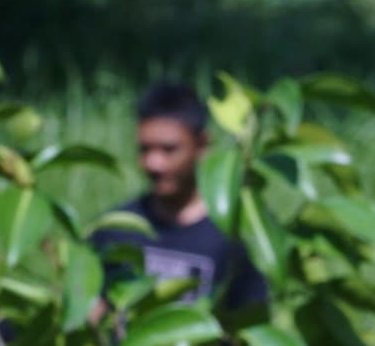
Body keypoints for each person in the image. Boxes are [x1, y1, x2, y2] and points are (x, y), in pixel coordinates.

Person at [108, 80, 267, 313]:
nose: (154, 164)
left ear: (202, 145)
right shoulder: (115, 230)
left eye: (169, 149)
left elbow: (248, 329)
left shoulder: (233, 239)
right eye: (144, 149)